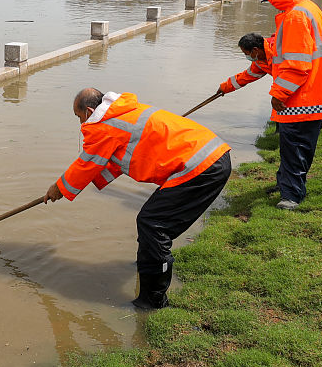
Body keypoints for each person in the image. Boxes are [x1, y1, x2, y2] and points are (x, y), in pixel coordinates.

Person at [40, 87, 232, 310]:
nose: (80, 124)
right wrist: (69, 186)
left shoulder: (102, 125)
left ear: (90, 111)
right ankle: (149, 262)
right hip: (211, 157)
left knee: (153, 224)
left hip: (201, 166)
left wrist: (59, 187)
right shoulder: (121, 113)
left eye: (79, 117)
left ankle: (153, 300)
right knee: (153, 224)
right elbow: (112, 159)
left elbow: (88, 162)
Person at [219, 0, 322, 211]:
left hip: (301, 99)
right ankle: (287, 183)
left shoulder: (295, 17)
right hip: (315, 93)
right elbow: (250, 74)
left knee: (295, 147)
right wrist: (224, 88)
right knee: (296, 146)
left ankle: (292, 196)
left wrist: (279, 95)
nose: (270, 3)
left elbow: (296, 64)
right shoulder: (311, 9)